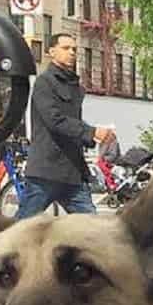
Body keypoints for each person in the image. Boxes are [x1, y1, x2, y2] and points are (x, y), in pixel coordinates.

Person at [17, 32, 113, 220]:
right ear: (52, 52)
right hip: (46, 172)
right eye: (66, 48)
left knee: (92, 227)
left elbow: (72, 123)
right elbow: (55, 120)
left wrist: (94, 137)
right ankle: (0, 248)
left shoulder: (75, 87)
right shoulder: (44, 82)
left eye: (74, 49)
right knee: (22, 226)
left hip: (73, 172)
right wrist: (92, 132)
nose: (72, 53)